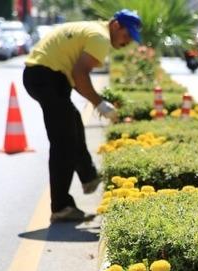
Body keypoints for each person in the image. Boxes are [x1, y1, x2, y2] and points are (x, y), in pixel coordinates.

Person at [23, 9, 141, 222]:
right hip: (47, 76)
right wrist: (100, 104)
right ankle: (61, 206)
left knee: (73, 122)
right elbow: (79, 75)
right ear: (116, 25)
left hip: (44, 75)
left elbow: (78, 78)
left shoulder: (94, 31)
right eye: (127, 35)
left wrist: (98, 100)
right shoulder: (101, 38)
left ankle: (88, 176)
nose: (127, 41)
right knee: (64, 142)